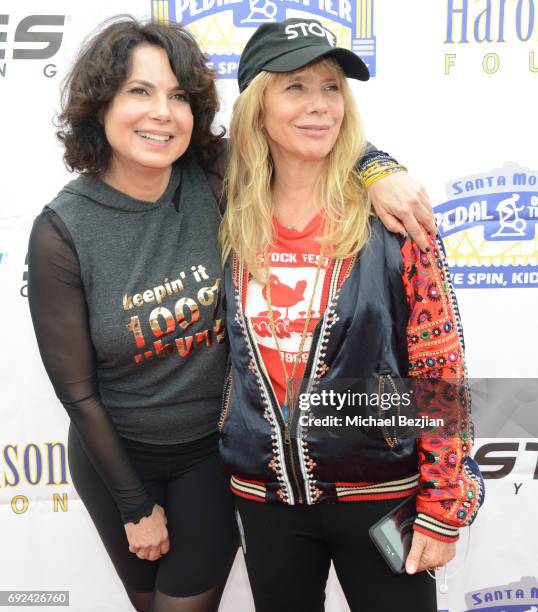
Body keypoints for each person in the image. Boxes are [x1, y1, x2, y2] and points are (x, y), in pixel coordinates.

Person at [27, 16, 436, 612]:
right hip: (135, 460)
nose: (161, 112)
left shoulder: (215, 178)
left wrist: (379, 170)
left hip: (229, 462)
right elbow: (77, 392)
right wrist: (135, 505)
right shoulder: (66, 229)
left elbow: (309, 131)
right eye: (139, 91)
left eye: (177, 96)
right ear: (101, 105)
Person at [219, 18, 485, 612]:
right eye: (296, 88)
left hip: (382, 496)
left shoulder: (396, 218)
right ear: (257, 107)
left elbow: (439, 364)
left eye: (331, 87)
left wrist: (444, 505)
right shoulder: (227, 213)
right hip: (264, 501)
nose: (319, 106)